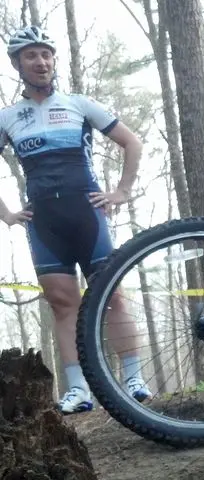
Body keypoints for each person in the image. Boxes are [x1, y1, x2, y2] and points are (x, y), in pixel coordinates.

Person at [0, 26, 152, 414]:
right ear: (17, 64)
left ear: (54, 61)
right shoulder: (8, 117)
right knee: (62, 305)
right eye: (31, 55)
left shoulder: (79, 104)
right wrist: (7, 214)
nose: (41, 61)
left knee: (112, 296)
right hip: (43, 221)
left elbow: (132, 141)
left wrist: (122, 191)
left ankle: (133, 378)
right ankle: (78, 389)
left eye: (46, 54)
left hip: (88, 214)